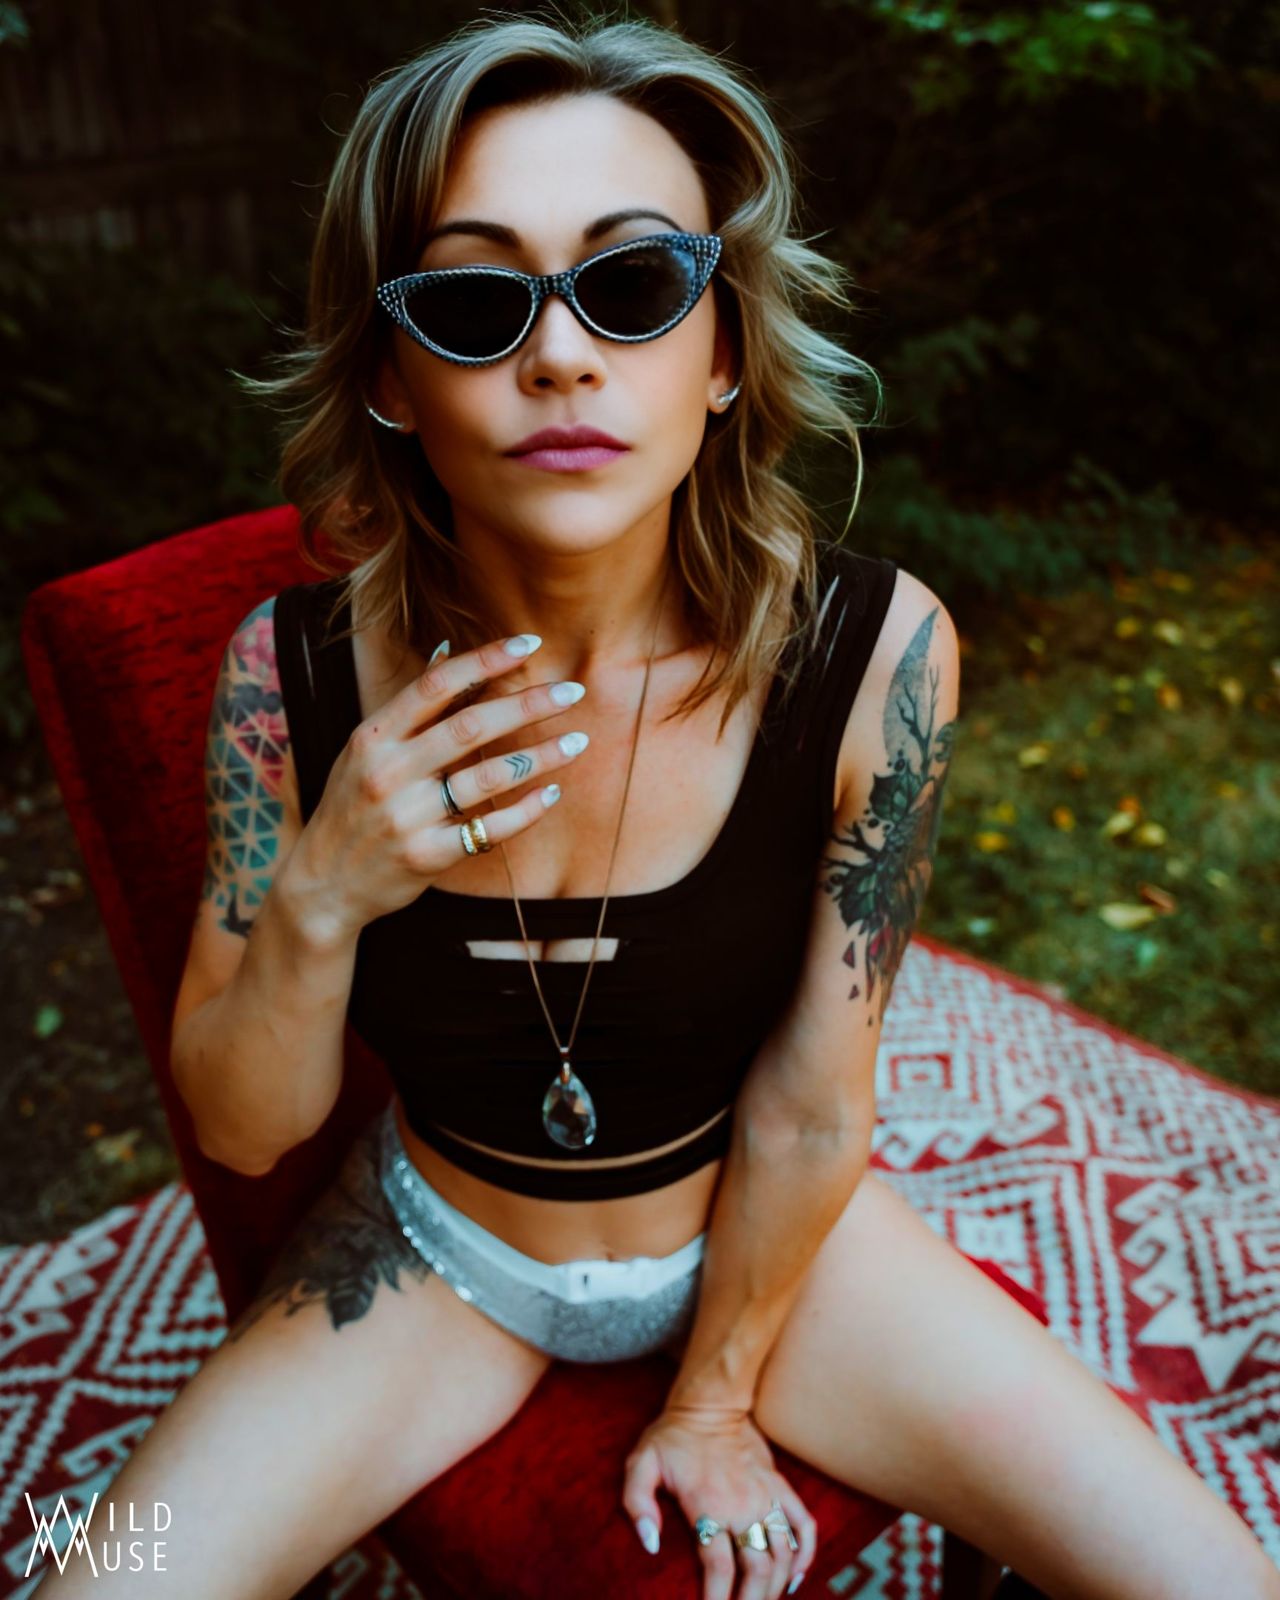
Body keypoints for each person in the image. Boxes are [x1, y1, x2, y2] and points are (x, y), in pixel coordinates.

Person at [37, 12, 1280, 1600]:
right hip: (428, 1259)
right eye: (475, 300)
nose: (562, 355)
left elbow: (818, 1101)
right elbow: (244, 1125)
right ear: (395, 378)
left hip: (776, 1247)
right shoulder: (286, 682)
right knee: (92, 1573)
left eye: (633, 286)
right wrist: (328, 890)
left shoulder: (877, 657)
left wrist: (715, 1397)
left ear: (725, 352)